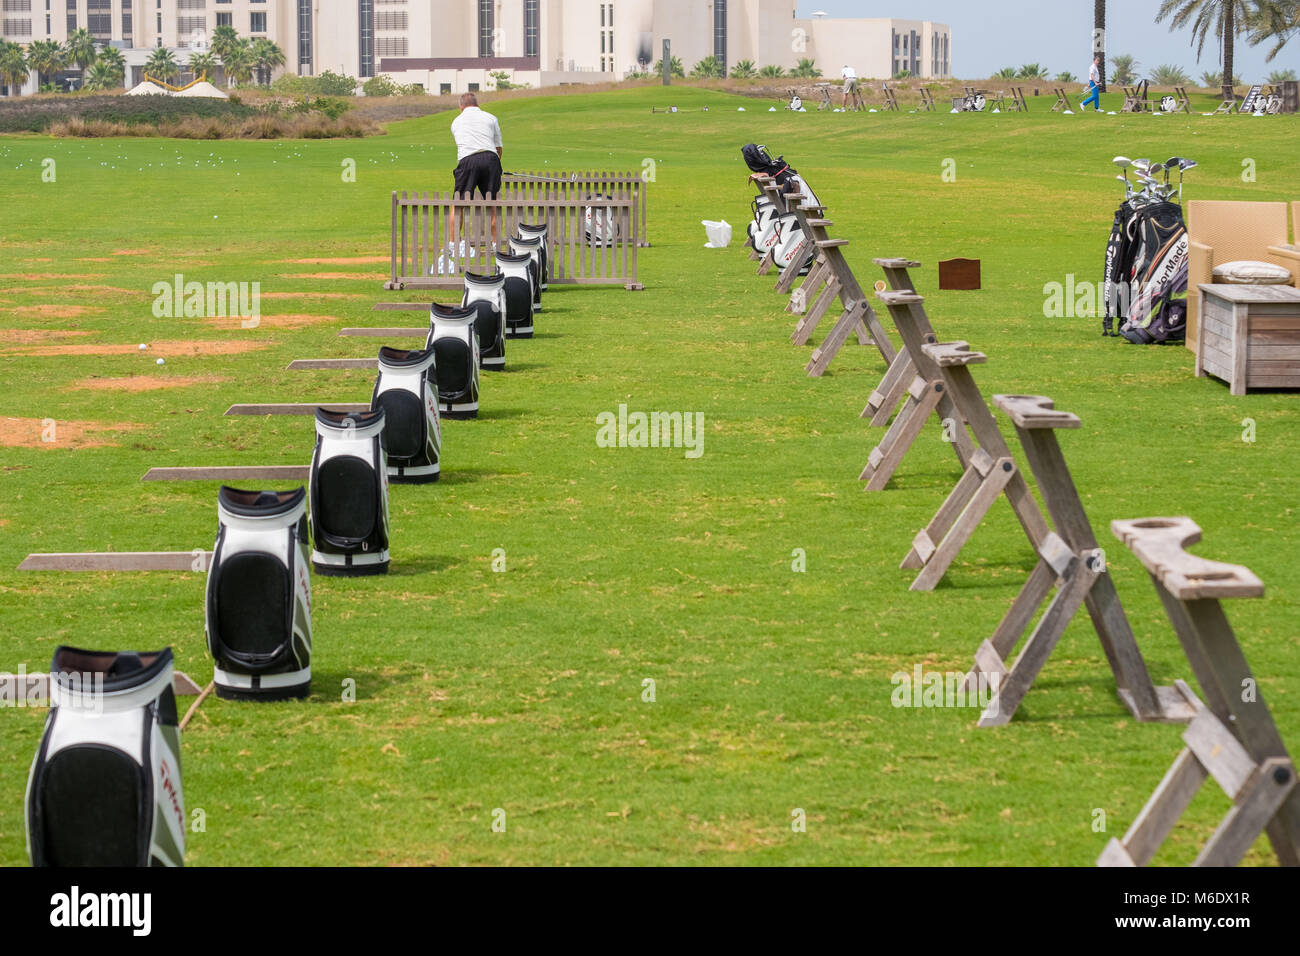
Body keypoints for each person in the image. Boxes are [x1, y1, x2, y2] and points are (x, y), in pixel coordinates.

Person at [449, 92, 503, 254]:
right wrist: (495, 165)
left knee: (458, 203)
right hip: (490, 158)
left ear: (461, 107)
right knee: (492, 202)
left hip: (468, 160)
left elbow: (463, 145)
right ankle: (494, 244)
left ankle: (453, 244)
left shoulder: (456, 122)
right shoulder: (491, 118)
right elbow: (498, 147)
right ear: (477, 104)